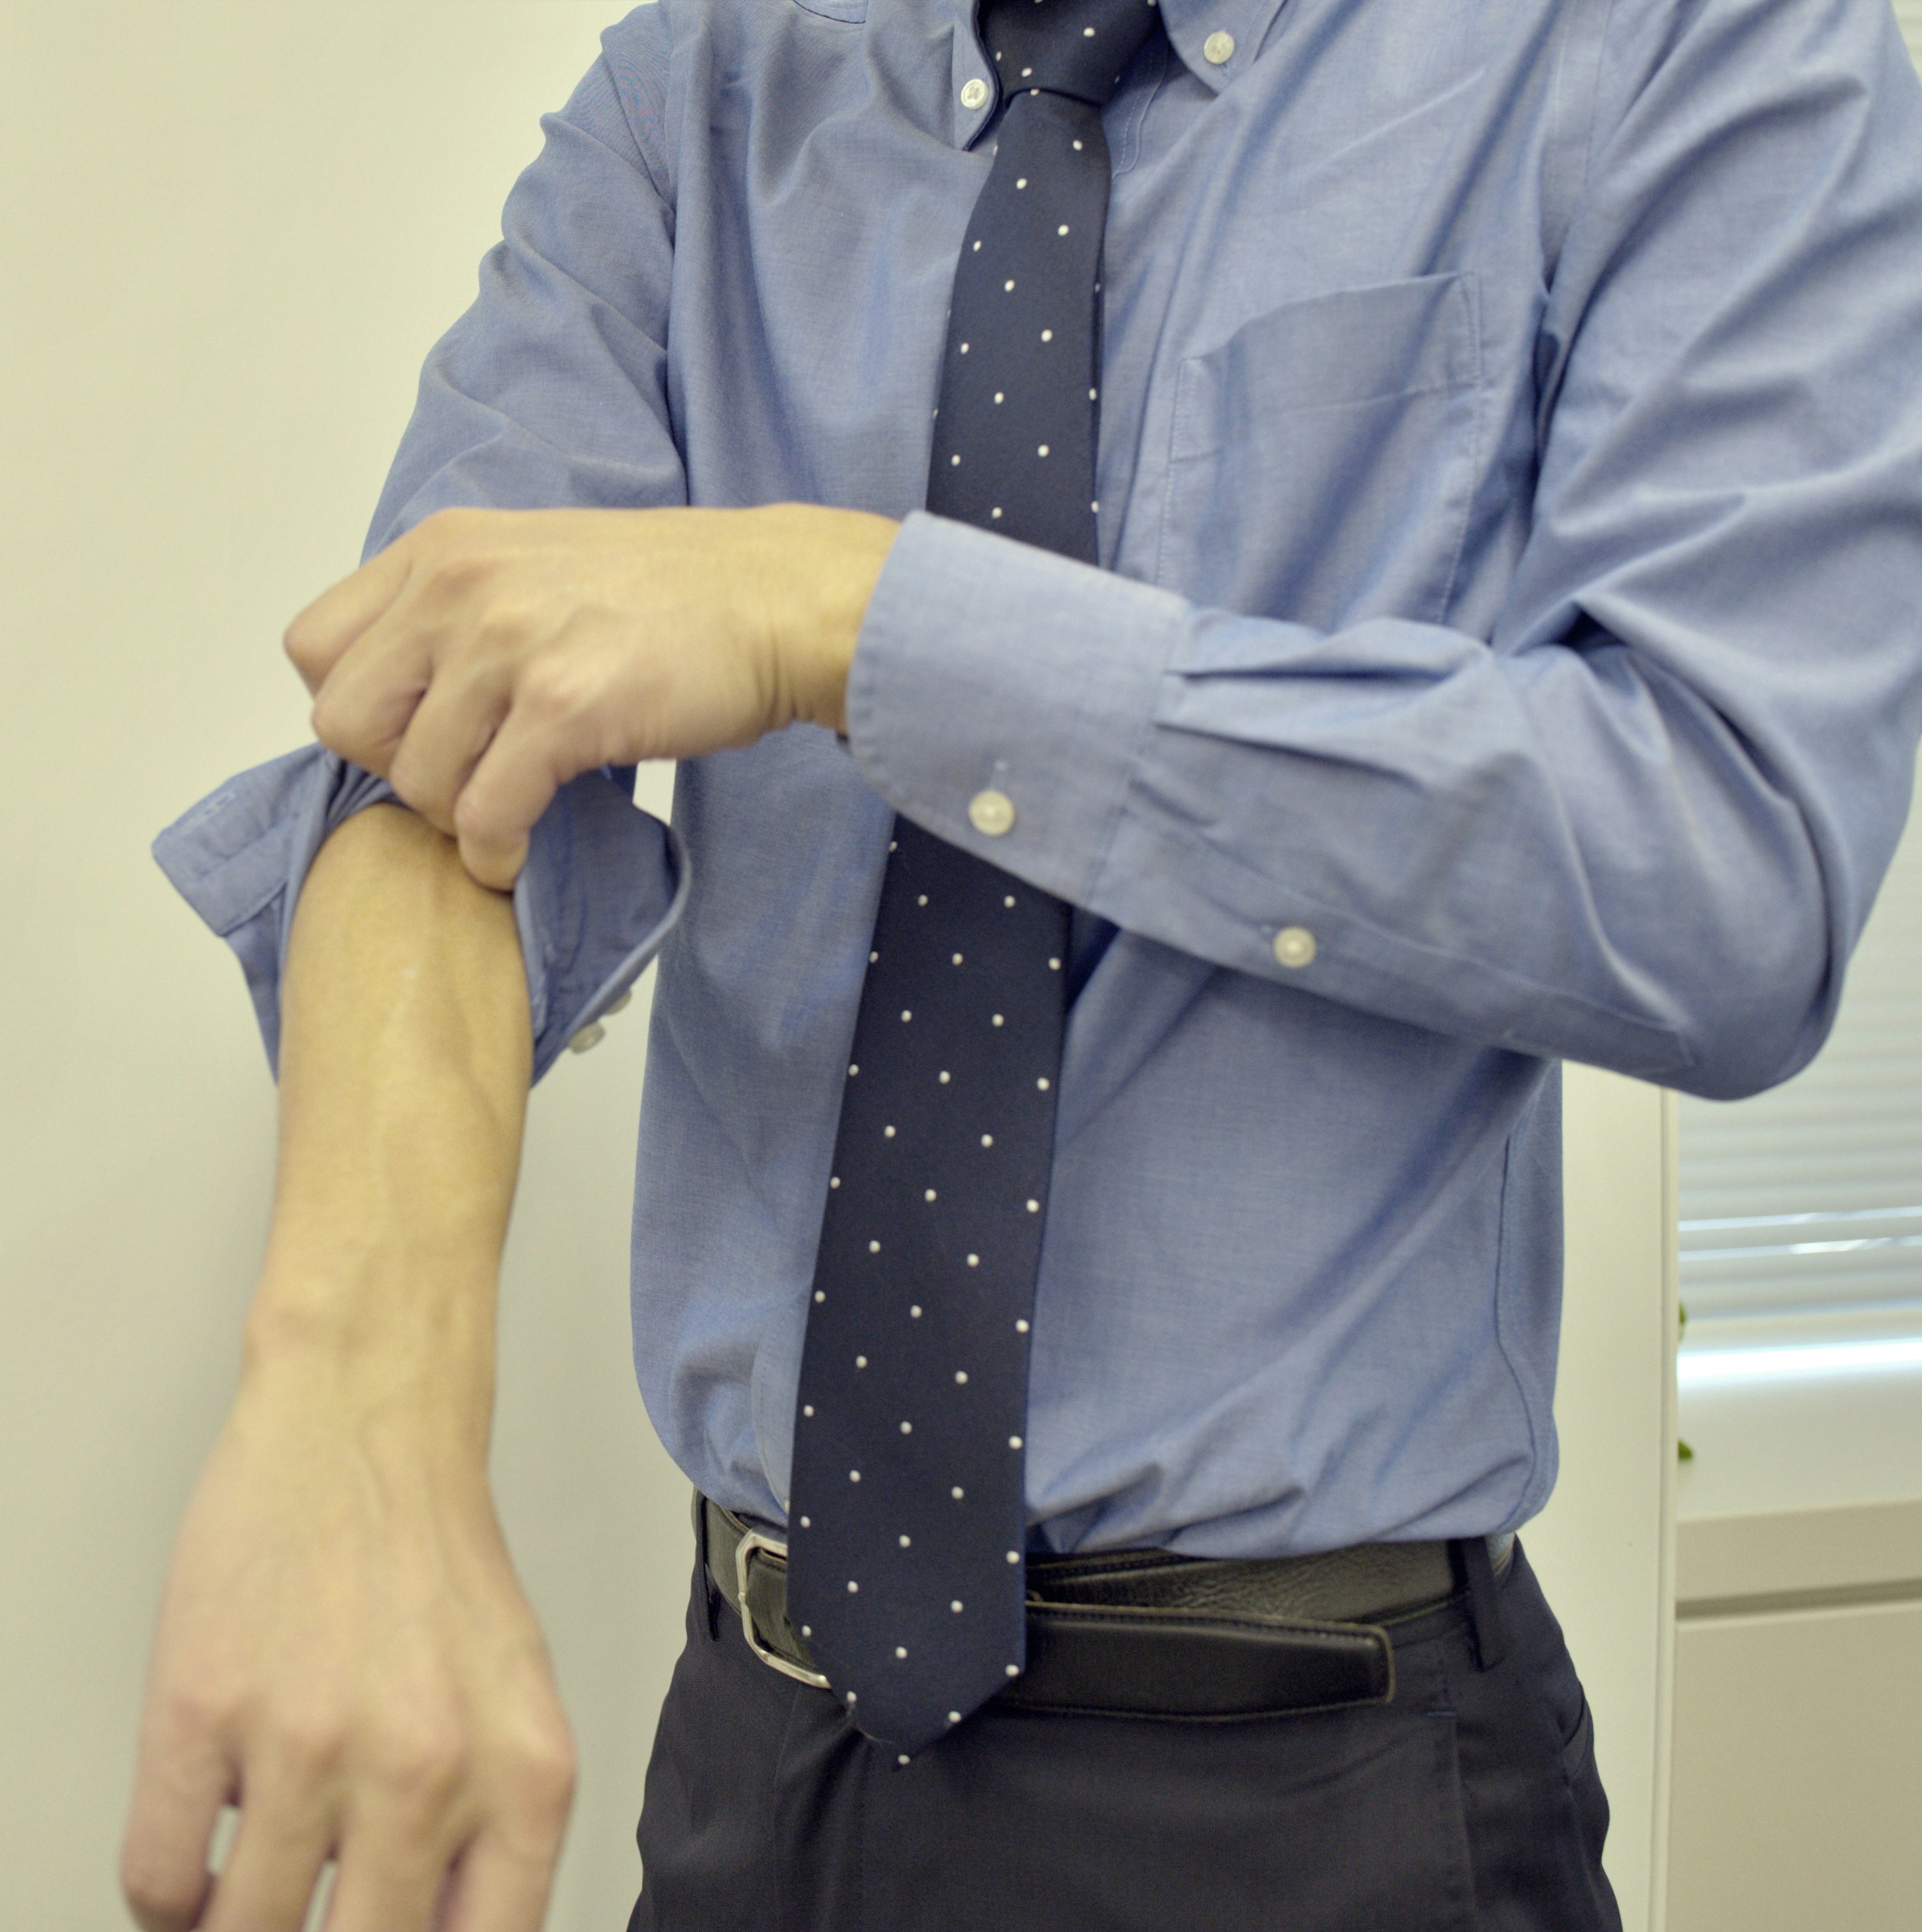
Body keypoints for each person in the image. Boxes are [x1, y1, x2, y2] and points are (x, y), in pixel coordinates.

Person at [125, 0, 1922, 1924]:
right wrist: (358, 1406)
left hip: (1323, 1794)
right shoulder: (702, 91)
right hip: (756, 1762)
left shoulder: (1679, 45)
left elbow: (1726, 864)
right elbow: (426, 771)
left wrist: (847, 612)